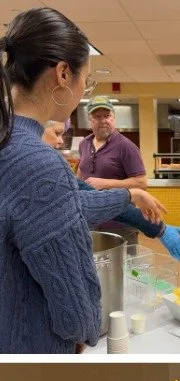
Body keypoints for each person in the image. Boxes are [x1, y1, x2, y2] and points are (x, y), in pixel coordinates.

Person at [0, 6, 103, 353]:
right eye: (84, 81)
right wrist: (86, 334)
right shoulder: (39, 162)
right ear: (62, 73)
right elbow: (75, 308)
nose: (82, 92)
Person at [41, 120, 180, 260]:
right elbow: (87, 199)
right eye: (57, 133)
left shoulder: (125, 145)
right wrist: (132, 195)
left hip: (117, 225)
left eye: (106, 115)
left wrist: (158, 228)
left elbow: (96, 197)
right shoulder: (48, 164)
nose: (60, 141)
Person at [77, 97, 147, 251]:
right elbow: (81, 172)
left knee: (125, 270)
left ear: (114, 118)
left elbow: (142, 183)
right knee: (95, 268)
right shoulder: (84, 144)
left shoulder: (126, 146)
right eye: (97, 116)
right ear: (90, 120)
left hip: (120, 222)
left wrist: (105, 183)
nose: (103, 120)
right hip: (90, 221)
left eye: (107, 116)